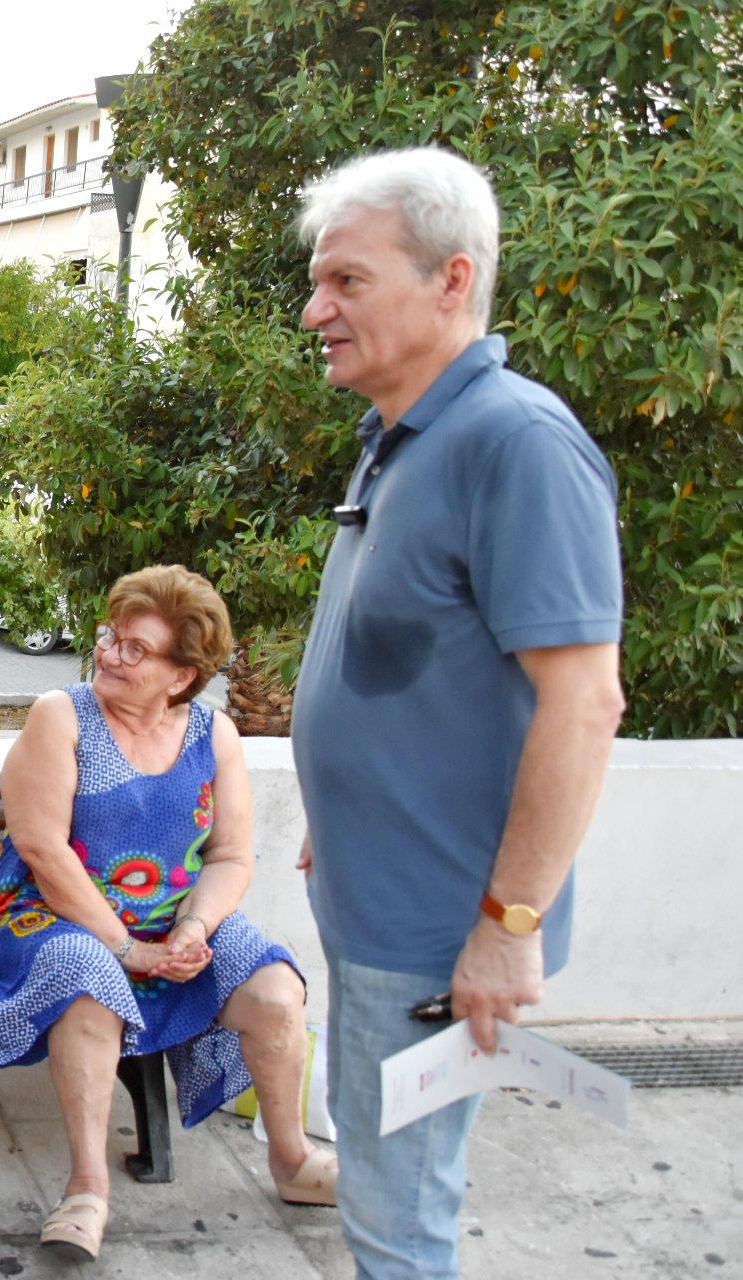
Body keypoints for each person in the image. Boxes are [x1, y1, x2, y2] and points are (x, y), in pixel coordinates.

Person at [291, 148, 625, 1280]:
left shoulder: (516, 444)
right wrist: (335, 811)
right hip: (371, 902)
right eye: (318, 281)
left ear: (450, 280)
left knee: (399, 1228)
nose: (314, 308)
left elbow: (584, 705)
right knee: (384, 1208)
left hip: (440, 936)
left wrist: (508, 926)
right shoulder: (400, 437)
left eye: (346, 282)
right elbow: (414, 668)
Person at [0, 565, 335, 1263]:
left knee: (276, 990)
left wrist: (193, 930)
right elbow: (42, 848)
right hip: (50, 914)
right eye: (112, 637)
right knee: (87, 978)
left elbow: (229, 856)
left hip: (170, 918)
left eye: (136, 649)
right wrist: (124, 946)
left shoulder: (211, 734)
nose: (109, 654)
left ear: (182, 674)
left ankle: (292, 1159)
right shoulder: (62, 715)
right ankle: (87, 1187)